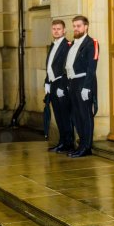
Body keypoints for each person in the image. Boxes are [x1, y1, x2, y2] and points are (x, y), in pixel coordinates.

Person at [65, 15, 99, 158]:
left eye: (79, 26)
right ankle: (81, 144)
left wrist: (87, 87)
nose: (76, 29)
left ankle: (87, 147)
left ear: (86, 27)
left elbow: (92, 67)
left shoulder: (91, 43)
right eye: (74, 26)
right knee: (76, 115)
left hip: (84, 82)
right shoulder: (73, 43)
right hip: (72, 83)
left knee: (85, 116)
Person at [45, 19, 74, 153]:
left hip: (61, 84)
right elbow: (49, 66)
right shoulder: (53, 45)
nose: (56, 31)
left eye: (59, 29)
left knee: (65, 116)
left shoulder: (67, 45)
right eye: (54, 29)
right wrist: (47, 82)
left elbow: (66, 68)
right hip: (53, 84)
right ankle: (62, 142)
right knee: (58, 115)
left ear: (64, 31)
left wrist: (62, 86)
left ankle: (68, 143)